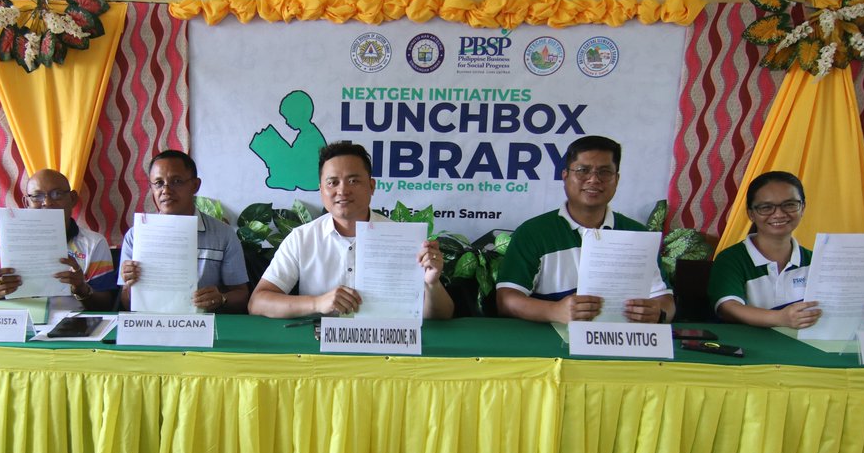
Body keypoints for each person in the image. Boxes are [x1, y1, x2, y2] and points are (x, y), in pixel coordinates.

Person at [248, 141, 454, 319]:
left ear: (371, 186)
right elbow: (258, 303)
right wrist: (317, 303)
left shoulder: (402, 239)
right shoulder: (302, 238)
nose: (342, 190)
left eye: (353, 181)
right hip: (319, 352)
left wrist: (432, 284)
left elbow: (442, 315)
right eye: (332, 182)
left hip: (387, 351)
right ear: (321, 190)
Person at [496, 135, 674, 323]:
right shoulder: (534, 232)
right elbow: (506, 300)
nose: (593, 180)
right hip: (549, 345)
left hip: (620, 344)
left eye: (605, 172)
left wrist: (658, 312)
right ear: (565, 176)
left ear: (617, 179)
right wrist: (553, 311)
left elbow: (666, 301)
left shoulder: (637, 235)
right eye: (583, 170)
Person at [708, 170, 864, 328]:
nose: (778, 214)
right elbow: (729, 309)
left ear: (803, 208)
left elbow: (832, 312)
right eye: (766, 207)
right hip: (749, 355)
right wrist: (779, 318)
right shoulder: (731, 259)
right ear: (751, 213)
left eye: (790, 205)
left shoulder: (818, 261)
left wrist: (861, 311)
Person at [119, 151, 250, 312]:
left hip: (202, 326)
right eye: (159, 183)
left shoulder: (223, 235)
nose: (166, 190)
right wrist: (129, 285)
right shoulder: (136, 236)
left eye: (176, 181)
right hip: (152, 326)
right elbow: (126, 303)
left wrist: (221, 298)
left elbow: (242, 295)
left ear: (195, 185)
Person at [0, 169, 117, 311]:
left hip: (70, 324)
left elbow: (106, 305)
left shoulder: (94, 243)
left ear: (73, 199)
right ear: (27, 203)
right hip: (21, 320)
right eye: (37, 196)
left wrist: (81, 288)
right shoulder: (13, 241)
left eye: (57, 194)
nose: (47, 202)